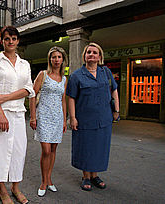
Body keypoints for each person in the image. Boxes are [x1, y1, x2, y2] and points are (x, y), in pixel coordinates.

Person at [0, 26, 35, 204]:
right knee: (0, 152)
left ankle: (16, 187)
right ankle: (2, 190)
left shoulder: (24, 64)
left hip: (19, 113)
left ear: (18, 41)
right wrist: (1, 114)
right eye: (7, 39)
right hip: (0, 114)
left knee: (19, 152)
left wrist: (6, 97)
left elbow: (28, 89)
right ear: (2, 41)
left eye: (13, 38)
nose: (10, 42)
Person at [66, 42, 119, 191]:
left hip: (104, 118)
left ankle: (95, 176)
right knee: (86, 147)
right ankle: (86, 177)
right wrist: (73, 117)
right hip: (84, 119)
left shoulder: (106, 72)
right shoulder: (76, 75)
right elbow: (71, 98)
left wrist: (117, 111)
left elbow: (114, 91)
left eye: (95, 52)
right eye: (89, 52)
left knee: (99, 148)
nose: (91, 54)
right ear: (84, 56)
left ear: (99, 56)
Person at [29, 46, 68, 197]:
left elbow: (63, 100)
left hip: (57, 117)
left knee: (53, 150)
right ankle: (43, 181)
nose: (56, 60)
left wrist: (65, 120)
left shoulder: (64, 79)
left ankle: (49, 179)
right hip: (44, 117)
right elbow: (33, 95)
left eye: (59, 57)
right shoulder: (43, 74)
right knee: (45, 150)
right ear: (50, 59)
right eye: (53, 57)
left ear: (63, 59)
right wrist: (33, 117)